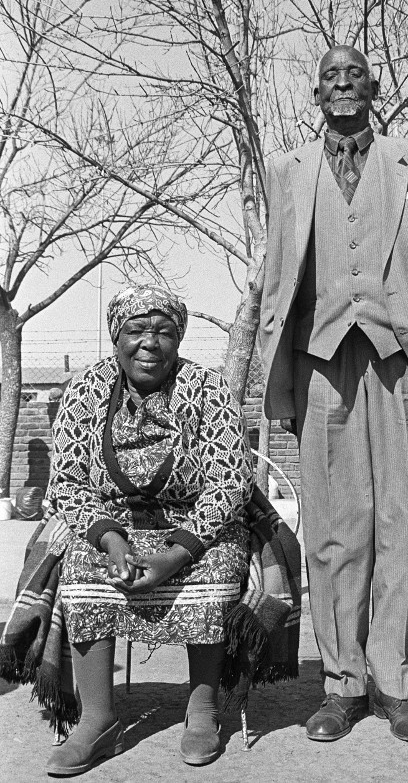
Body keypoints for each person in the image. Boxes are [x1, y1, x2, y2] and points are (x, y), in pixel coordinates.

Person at [260, 44, 408, 744]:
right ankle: (341, 684)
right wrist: (277, 384)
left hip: (404, 364)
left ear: (374, 85)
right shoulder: (287, 169)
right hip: (322, 364)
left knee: (406, 524)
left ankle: (394, 682)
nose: (341, 84)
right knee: (334, 531)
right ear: (316, 92)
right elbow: (275, 278)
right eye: (329, 76)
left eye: (353, 74)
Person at [44, 284, 254, 775]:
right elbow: (69, 483)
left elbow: (229, 479)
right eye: (136, 330)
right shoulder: (84, 391)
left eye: (162, 331)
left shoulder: (209, 388)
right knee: (79, 567)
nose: (149, 343)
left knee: (221, 563)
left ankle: (201, 712)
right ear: (117, 336)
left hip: (193, 525)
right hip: (109, 527)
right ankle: (97, 719)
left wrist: (174, 555)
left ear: (178, 339)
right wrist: (112, 540)